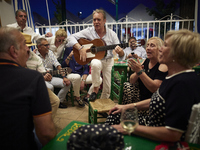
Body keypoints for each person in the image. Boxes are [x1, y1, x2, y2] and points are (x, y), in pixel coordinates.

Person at [107, 29, 200, 142]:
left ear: (178, 53)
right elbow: (158, 99)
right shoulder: (175, 76)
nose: (160, 49)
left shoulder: (183, 83)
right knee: (114, 115)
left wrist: (131, 127)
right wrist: (127, 106)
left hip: (156, 133)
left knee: (93, 133)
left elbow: (173, 135)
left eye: (165, 45)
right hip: (150, 121)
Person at [0, 27, 56, 149]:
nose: (28, 49)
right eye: (25, 44)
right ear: (13, 51)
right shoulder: (32, 79)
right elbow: (46, 133)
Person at [67, 9, 121, 101]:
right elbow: (70, 38)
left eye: (99, 20)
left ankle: (103, 104)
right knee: (95, 63)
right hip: (97, 60)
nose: (96, 22)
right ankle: (95, 88)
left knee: (107, 86)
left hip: (108, 61)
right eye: (94, 20)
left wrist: (120, 52)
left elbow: (120, 53)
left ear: (104, 21)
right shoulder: (88, 31)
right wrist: (80, 48)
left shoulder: (112, 34)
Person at [122, 37, 168, 105]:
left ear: (160, 49)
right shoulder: (146, 61)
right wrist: (137, 72)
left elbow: (154, 89)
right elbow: (131, 81)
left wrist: (140, 72)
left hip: (153, 104)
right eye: (147, 45)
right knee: (127, 85)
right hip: (141, 99)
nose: (148, 48)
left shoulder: (163, 65)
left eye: (152, 46)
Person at [24, 33, 60, 118]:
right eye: (25, 46)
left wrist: (44, 77)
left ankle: (47, 124)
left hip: (35, 85)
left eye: (29, 46)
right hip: (21, 87)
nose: (27, 49)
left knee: (55, 101)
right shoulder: (14, 57)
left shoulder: (35, 58)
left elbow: (42, 72)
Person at [36, 38, 71, 108]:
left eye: (48, 45)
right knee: (50, 87)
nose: (48, 47)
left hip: (51, 77)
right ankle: (48, 106)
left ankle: (58, 102)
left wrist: (64, 77)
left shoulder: (50, 53)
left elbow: (57, 64)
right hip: (40, 79)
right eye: (46, 45)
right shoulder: (34, 56)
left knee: (67, 84)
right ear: (39, 47)